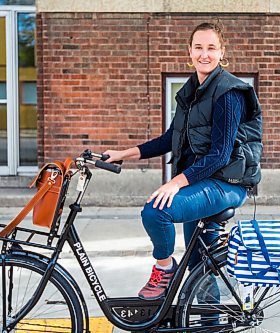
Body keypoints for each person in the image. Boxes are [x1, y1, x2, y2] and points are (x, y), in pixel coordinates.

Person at [104, 21, 262, 300]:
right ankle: (210, 322)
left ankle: (164, 269)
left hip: (226, 183)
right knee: (199, 263)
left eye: (211, 48)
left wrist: (175, 183)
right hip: (202, 181)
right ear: (189, 51)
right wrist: (123, 154)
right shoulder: (191, 92)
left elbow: (220, 155)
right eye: (198, 47)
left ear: (222, 52)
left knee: (156, 211)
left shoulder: (229, 93)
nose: (204, 54)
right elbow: (169, 140)